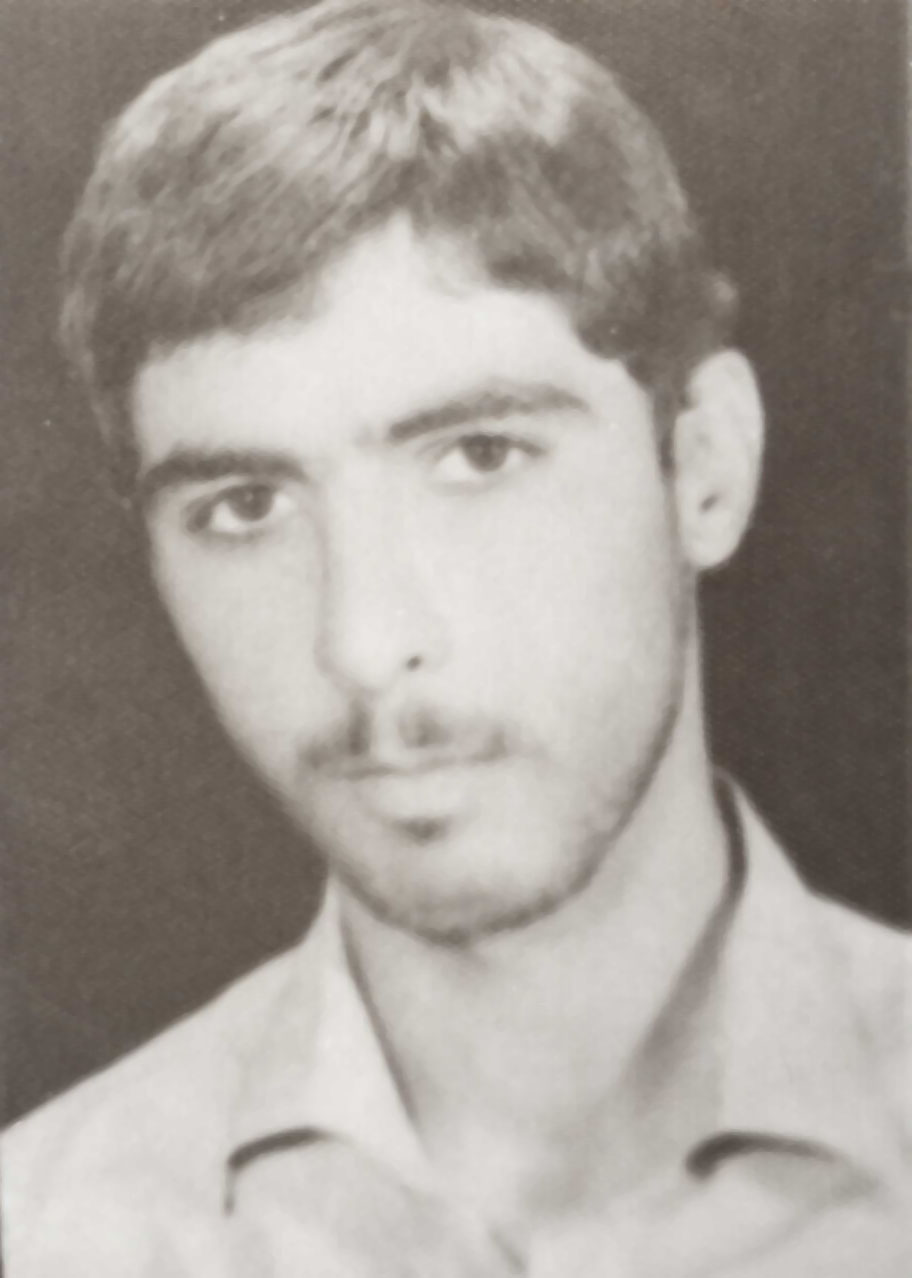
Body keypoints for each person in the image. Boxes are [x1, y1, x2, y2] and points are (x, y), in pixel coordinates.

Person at [2, 1, 909, 1273]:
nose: (365, 643)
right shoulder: (45, 1232)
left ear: (706, 468)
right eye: (247, 506)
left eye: (481, 455)